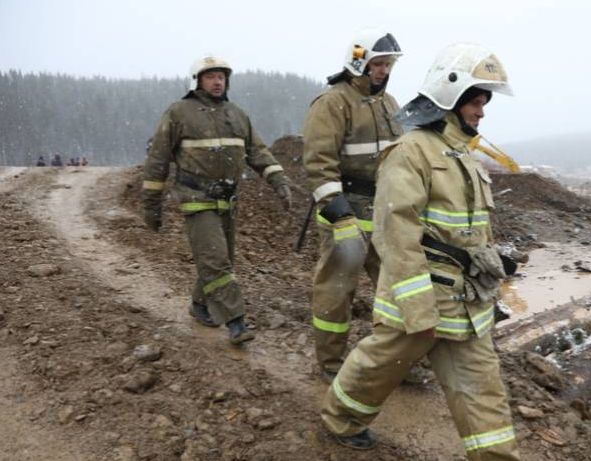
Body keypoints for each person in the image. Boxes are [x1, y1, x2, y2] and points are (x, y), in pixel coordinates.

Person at [320, 43, 520, 460]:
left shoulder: (464, 156)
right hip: (422, 300)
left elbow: (465, 230)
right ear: (450, 97)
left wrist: (488, 259)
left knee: (484, 391)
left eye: (484, 102)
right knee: (380, 367)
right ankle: (340, 421)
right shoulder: (411, 152)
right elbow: (396, 233)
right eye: (476, 102)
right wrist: (417, 307)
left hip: (466, 303)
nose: (482, 112)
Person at [141, 55, 292, 345]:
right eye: (210, 76)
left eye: (221, 76)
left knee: (219, 261)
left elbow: (258, 152)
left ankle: (199, 305)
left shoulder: (237, 114)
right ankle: (236, 323)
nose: (217, 81)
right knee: (217, 261)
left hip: (228, 201)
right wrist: (151, 205)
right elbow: (158, 160)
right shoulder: (179, 113)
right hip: (197, 199)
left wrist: (279, 180)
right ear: (197, 80)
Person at [302, 28, 406, 381]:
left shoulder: (389, 104)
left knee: (397, 287)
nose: (384, 71)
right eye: (377, 64)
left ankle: (397, 362)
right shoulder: (333, 103)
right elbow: (319, 163)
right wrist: (337, 211)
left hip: (384, 209)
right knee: (336, 289)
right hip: (346, 208)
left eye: (388, 64)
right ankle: (331, 365)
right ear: (359, 63)